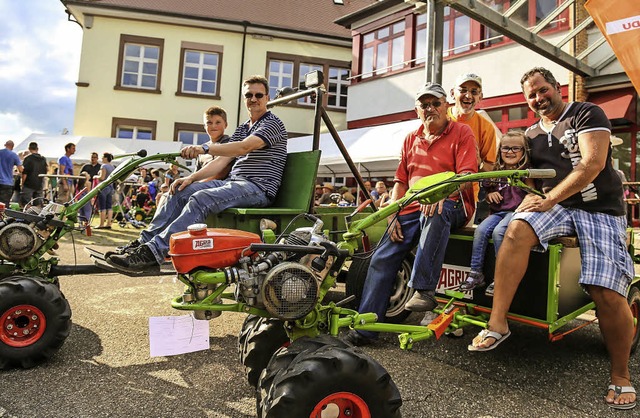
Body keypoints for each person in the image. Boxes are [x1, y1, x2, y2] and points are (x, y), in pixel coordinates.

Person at [468, 67, 636, 410]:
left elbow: (592, 164)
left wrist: (548, 198)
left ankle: (621, 375)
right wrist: (525, 196)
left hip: (599, 209)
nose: (538, 98)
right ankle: (498, 322)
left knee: (606, 290)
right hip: (556, 205)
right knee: (515, 228)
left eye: (542, 90)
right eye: (531, 95)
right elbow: (528, 173)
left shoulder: (585, 113)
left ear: (556, 88)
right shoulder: (529, 133)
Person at [106, 75, 287, 273]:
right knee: (179, 190)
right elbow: (222, 160)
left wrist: (204, 149)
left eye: (258, 95)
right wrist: (190, 178)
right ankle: (142, 243)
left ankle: (153, 252)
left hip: (258, 187)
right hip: (236, 183)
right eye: (249, 95)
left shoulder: (272, 123)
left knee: (201, 198)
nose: (253, 99)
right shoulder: (244, 127)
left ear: (267, 97)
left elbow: (244, 148)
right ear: (244, 99)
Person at [344, 82, 478, 346]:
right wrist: (393, 213)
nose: (430, 109)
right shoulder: (410, 138)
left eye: (435, 103)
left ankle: (424, 289)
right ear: (417, 110)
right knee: (382, 256)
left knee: (435, 212)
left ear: (446, 106)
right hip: (413, 206)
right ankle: (366, 327)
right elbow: (401, 183)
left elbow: (466, 177)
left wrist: (439, 194)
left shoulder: (462, 132)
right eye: (424, 105)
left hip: (453, 202)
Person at [459, 131, 530, 294]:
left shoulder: (526, 171)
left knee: (499, 232)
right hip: (498, 213)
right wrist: (490, 195)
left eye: (515, 148)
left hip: (516, 212)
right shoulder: (497, 171)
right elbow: (486, 190)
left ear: (524, 151)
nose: (510, 152)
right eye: (506, 148)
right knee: (481, 230)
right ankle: (476, 272)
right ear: (500, 151)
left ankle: (501, 277)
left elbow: (532, 192)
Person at [448, 73, 498, 223]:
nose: (468, 95)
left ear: (480, 97)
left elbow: (491, 171)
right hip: (435, 193)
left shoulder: (486, 128)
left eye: (474, 92)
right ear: (452, 93)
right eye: (463, 90)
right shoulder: (441, 117)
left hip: (467, 199)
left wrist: (478, 163)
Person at [20, 142, 48, 208]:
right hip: (39, 184)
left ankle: (26, 217)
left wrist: (22, 183)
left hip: (28, 184)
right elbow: (46, 171)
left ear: (29, 149)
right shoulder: (43, 159)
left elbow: (25, 173)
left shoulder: (28, 158)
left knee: (26, 204)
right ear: (37, 148)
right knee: (38, 205)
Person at [0, 140, 23, 207]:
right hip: (7, 183)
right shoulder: (14, 155)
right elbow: (21, 169)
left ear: (5, 145)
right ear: (12, 147)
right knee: (4, 205)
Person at [95, 153, 115, 229]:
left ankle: (101, 224)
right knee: (109, 206)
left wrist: (96, 176)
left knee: (102, 206)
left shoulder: (104, 166)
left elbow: (102, 177)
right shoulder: (112, 167)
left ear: (106, 158)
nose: (102, 159)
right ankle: (109, 223)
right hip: (110, 187)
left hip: (103, 188)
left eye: (103, 157)